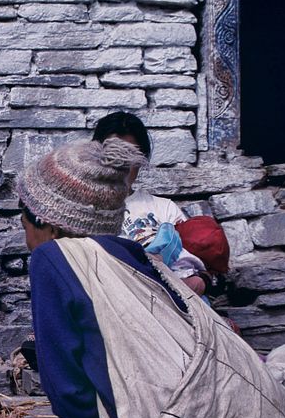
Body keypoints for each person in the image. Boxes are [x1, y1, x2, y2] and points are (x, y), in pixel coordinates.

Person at [18, 138, 285, 418]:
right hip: (251, 414)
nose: (22, 228)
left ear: (49, 222)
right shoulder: (139, 257)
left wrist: (131, 415)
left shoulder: (54, 258)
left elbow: (72, 402)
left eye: (23, 214)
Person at [92, 112, 216, 296]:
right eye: (113, 154)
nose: (122, 164)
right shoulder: (83, 209)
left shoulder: (164, 209)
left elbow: (197, 264)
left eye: (130, 155)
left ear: (141, 159)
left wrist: (200, 281)